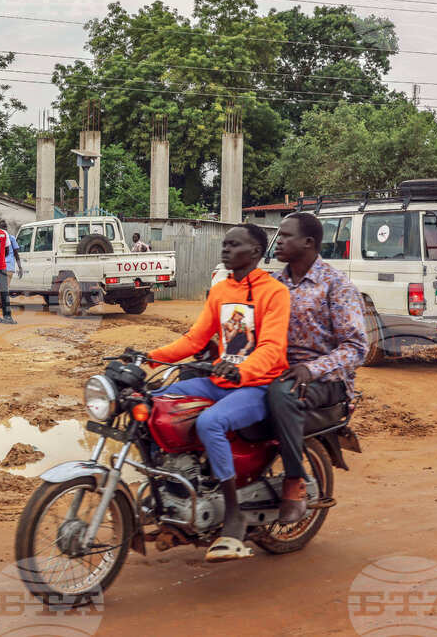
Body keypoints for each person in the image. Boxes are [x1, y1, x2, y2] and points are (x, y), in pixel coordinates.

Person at [148, 224, 290, 562]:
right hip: (220, 381)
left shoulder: (274, 292)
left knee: (209, 422)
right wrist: (151, 357)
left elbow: (272, 348)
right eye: (224, 245)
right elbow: (195, 340)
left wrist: (242, 369)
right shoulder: (221, 290)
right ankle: (173, 489)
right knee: (156, 403)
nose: (225, 250)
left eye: (233, 245)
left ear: (255, 252)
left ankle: (233, 513)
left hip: (257, 386)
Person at [267, 212, 367, 524]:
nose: (278, 241)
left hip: (327, 379)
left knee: (283, 394)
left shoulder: (336, 285)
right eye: (278, 235)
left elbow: (355, 347)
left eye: (286, 236)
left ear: (309, 242)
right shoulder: (274, 284)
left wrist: (311, 369)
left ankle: (294, 483)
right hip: (281, 369)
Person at [0, 219, 24, 287]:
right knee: (5, 289)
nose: (5, 229)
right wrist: (20, 267)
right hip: (9, 267)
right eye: (4, 227)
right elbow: (16, 254)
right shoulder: (11, 238)